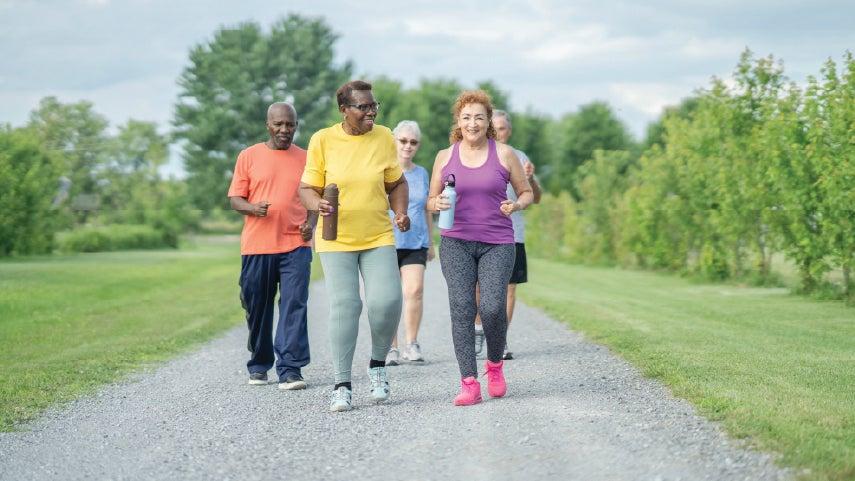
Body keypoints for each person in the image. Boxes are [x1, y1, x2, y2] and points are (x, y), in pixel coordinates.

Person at [299, 80, 410, 412]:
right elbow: (307, 187)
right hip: (337, 239)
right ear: (344, 110)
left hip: (377, 235)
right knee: (347, 305)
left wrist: (401, 211)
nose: (371, 112)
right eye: (363, 107)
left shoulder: (384, 137)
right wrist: (316, 203)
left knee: (387, 301)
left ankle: (377, 366)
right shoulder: (322, 140)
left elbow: (397, 182)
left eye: (374, 106)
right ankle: (341, 383)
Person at [428, 90, 533, 406]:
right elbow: (430, 200)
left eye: (479, 117)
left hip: (497, 242)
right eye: (466, 117)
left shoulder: (503, 154)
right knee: (461, 307)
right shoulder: (445, 156)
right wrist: (437, 202)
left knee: (491, 307)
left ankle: (495, 365)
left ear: (488, 121)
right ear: (458, 122)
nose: (472, 123)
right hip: (455, 241)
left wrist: (515, 205)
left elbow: (526, 192)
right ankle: (469, 383)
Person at [227, 102, 314, 390]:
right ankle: (259, 362)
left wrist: (311, 223)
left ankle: (290, 369)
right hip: (257, 246)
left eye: (290, 124)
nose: (284, 130)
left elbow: (315, 196)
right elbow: (235, 199)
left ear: (296, 126)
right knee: (257, 305)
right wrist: (253, 208)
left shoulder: (307, 158)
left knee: (294, 305)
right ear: (268, 125)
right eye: (279, 124)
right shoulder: (249, 156)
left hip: (295, 244)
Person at [474, 109, 542, 360]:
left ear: (508, 131)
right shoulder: (477, 153)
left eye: (502, 128)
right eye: (494, 127)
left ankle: (499, 340)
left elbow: (536, 197)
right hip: (481, 232)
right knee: (480, 286)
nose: (498, 132)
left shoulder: (519, 157)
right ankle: (479, 327)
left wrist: (531, 179)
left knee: (509, 289)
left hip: (513, 234)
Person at [385, 120, 435, 366]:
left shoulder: (422, 173)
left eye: (413, 142)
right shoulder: (382, 169)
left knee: (414, 291)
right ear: (394, 140)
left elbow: (427, 208)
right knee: (389, 296)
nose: (407, 146)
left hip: (416, 242)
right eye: (403, 140)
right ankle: (390, 347)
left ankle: (411, 344)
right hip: (385, 242)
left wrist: (432, 241)